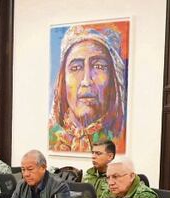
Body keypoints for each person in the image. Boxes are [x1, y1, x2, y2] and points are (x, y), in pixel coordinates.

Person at [48, 24, 127, 153]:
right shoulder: (52, 136)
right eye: (76, 68)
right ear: (62, 80)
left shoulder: (120, 137)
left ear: (114, 79)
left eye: (99, 66)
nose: (86, 81)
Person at [1, 150, 72, 198]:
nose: (26, 174)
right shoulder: (21, 184)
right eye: (23, 170)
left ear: (43, 167)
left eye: (30, 169)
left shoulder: (59, 185)